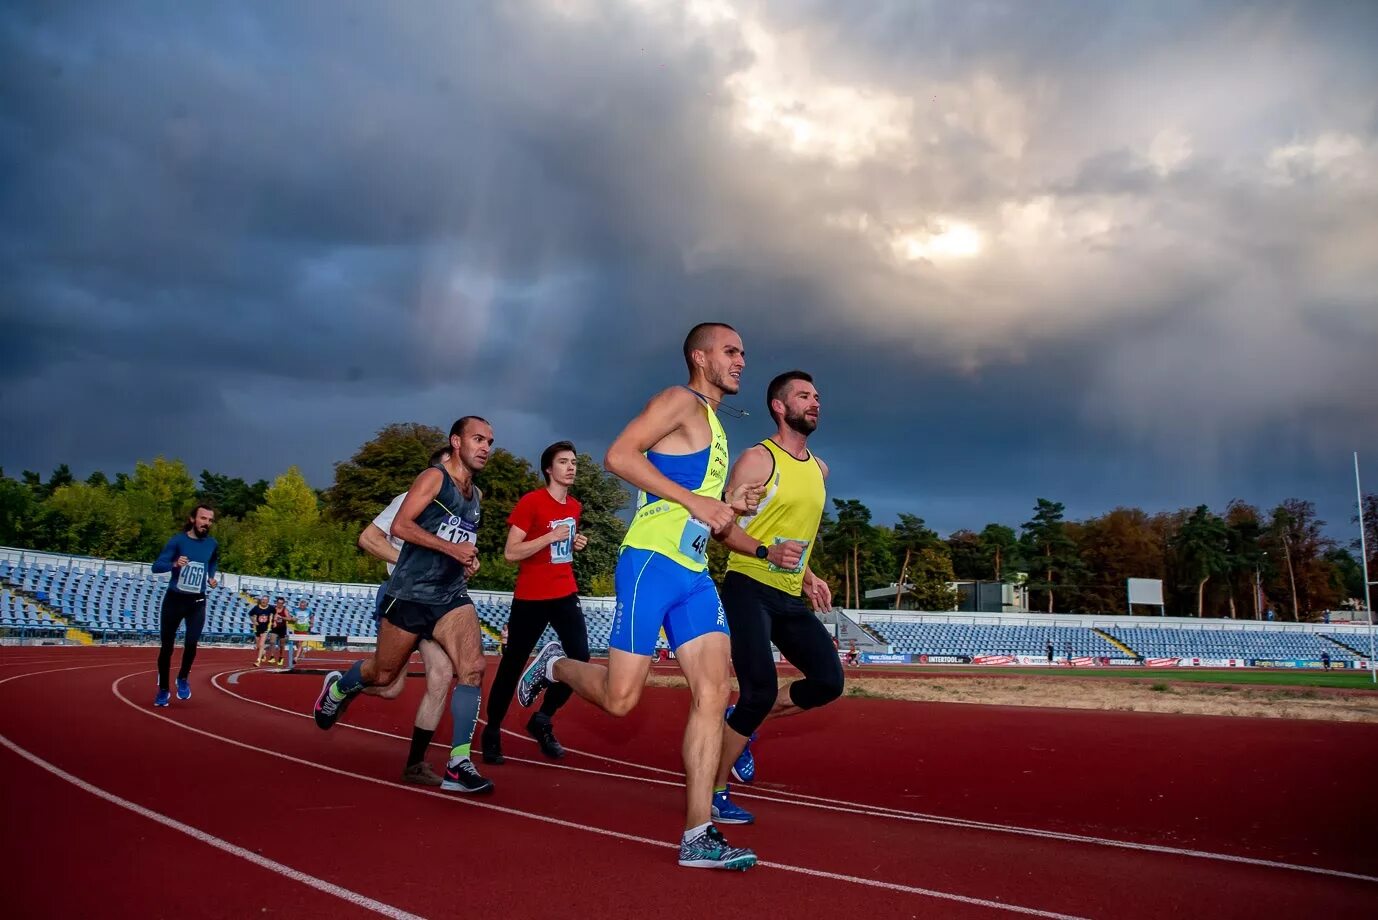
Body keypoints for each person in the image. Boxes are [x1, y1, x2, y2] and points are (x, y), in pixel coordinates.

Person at [517, 323, 763, 870]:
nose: (741, 360)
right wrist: (696, 502)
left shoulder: (717, 427)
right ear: (700, 357)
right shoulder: (677, 401)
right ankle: (556, 664)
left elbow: (698, 501)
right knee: (621, 700)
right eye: (730, 351)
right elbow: (619, 456)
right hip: (651, 563)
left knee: (714, 692)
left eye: (744, 352)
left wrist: (729, 504)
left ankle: (697, 833)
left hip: (694, 573)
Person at [314, 417, 494, 795]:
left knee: (470, 668)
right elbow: (397, 528)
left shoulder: (475, 497)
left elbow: (457, 541)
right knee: (384, 678)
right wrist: (451, 549)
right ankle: (342, 687)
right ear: (455, 443)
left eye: (490, 441)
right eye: (478, 439)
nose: (486, 447)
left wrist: (466, 560)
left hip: (448, 598)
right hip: (409, 594)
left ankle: (456, 762)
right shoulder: (431, 479)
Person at [700, 370, 843, 825]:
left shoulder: (820, 470)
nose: (815, 402)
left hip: (787, 591)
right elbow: (724, 528)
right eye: (804, 396)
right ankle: (714, 793)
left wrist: (809, 576)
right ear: (780, 407)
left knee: (828, 680)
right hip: (748, 585)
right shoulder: (758, 460)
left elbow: (793, 538)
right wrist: (766, 552)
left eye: (817, 395)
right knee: (759, 687)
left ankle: (743, 722)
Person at [482, 441, 591, 764]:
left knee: (581, 659)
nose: (570, 467)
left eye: (574, 462)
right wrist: (549, 537)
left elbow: (562, 549)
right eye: (563, 462)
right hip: (531, 596)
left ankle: (542, 718)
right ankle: (492, 732)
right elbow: (510, 552)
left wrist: (576, 541)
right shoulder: (532, 502)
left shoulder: (574, 506)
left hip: (564, 591)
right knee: (512, 663)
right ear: (548, 469)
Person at [356, 462, 459, 786]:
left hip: (436, 602)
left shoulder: (461, 512)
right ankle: (345, 682)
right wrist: (408, 564)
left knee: (442, 675)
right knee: (389, 686)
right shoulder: (408, 499)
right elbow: (369, 538)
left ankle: (415, 763)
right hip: (402, 598)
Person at [150, 504, 220, 706]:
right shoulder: (178, 541)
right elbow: (156, 567)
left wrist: (211, 577)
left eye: (210, 520)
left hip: (197, 600)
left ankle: (182, 677)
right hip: (174, 599)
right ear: (192, 519)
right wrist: (174, 564)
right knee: (167, 648)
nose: (206, 523)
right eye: (203, 518)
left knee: (191, 643)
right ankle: (163, 688)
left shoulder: (212, 544)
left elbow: (213, 561)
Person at [264, 597, 291, 666]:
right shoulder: (273, 609)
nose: (280, 604)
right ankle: (272, 656)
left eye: (281, 603)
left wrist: (282, 617)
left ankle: (281, 657)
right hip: (274, 628)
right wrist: (272, 622)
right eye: (278, 603)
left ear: (283, 604)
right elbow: (269, 616)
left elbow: (289, 618)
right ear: (276, 603)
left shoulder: (285, 610)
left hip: (282, 628)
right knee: (272, 642)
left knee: (282, 645)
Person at [250, 595, 272, 665]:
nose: (263, 601)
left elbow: (272, 616)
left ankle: (258, 661)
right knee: (258, 646)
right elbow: (250, 615)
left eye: (265, 600)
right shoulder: (256, 608)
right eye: (262, 600)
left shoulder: (269, 609)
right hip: (257, 628)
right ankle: (263, 653)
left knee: (261, 644)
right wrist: (254, 621)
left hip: (265, 628)